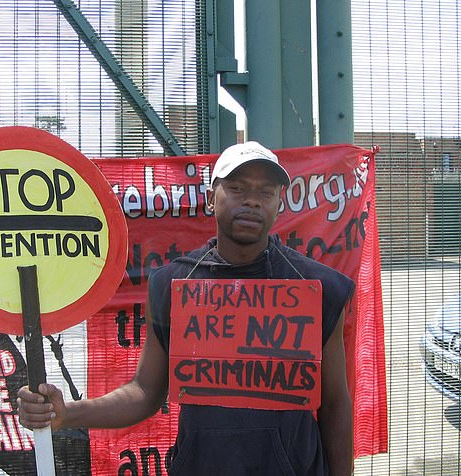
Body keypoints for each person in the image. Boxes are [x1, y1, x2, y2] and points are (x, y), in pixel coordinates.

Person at [18, 141, 354, 475]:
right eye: (237, 188)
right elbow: (145, 391)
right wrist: (66, 414)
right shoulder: (173, 285)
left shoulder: (316, 288)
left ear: (279, 203)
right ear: (211, 197)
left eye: (266, 192)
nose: (252, 200)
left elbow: (336, 403)